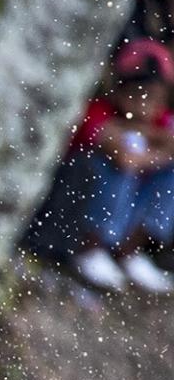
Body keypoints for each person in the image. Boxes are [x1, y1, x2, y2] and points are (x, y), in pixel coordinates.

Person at [62, 48, 174, 293]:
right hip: (72, 217)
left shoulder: (162, 118)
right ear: (118, 87)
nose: (143, 101)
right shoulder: (96, 111)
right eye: (137, 90)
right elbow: (125, 158)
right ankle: (90, 250)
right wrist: (156, 150)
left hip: (126, 211)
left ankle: (128, 252)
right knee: (120, 163)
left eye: (153, 93)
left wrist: (150, 148)